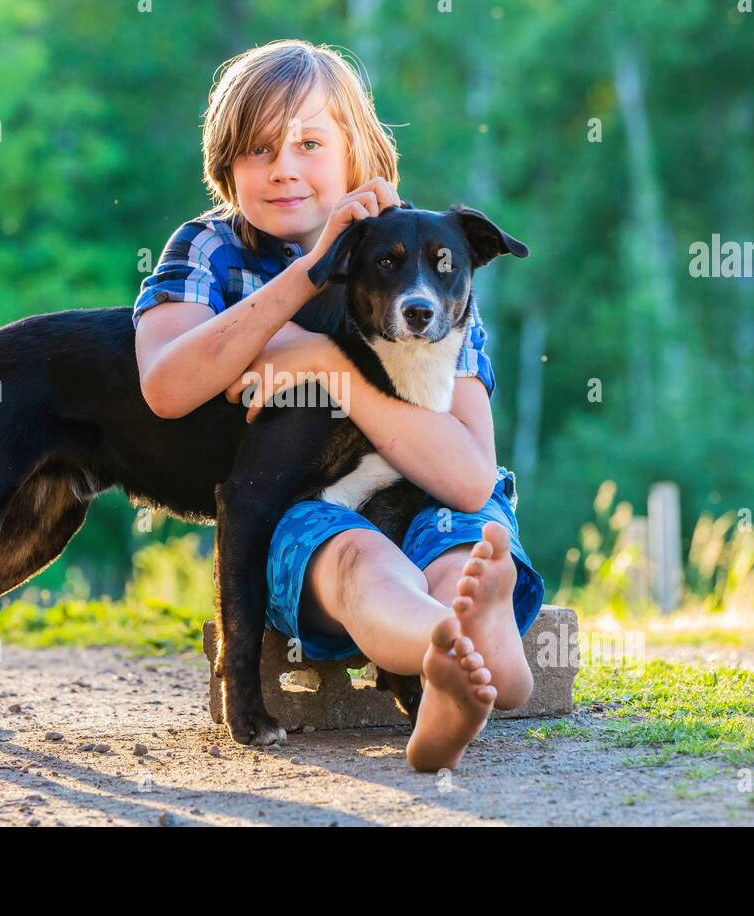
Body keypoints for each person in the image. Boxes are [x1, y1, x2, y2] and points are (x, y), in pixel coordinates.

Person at [133, 39, 544, 772]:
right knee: (358, 563)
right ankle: (448, 648)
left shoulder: (426, 270)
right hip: (320, 513)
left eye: (310, 144)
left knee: (461, 550)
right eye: (257, 150)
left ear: (361, 156)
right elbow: (167, 386)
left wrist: (328, 365)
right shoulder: (211, 248)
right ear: (224, 167)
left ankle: (481, 651)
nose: (284, 167)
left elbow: (470, 476)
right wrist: (310, 273)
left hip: (440, 500)